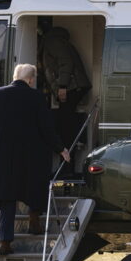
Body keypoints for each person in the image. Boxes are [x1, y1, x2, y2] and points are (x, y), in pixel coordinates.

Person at [0, 64, 70, 255]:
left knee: (7, 197)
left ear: (15, 76)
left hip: (3, 155)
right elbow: (46, 128)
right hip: (31, 154)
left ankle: (4, 242)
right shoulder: (37, 97)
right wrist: (61, 148)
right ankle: (34, 222)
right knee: (34, 186)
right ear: (31, 80)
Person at [41, 27, 92, 175]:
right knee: (67, 126)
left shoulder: (52, 41)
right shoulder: (59, 41)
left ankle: (66, 167)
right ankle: (67, 166)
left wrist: (62, 86)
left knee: (65, 129)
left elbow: (66, 62)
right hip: (74, 87)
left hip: (71, 88)